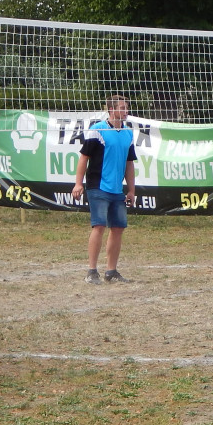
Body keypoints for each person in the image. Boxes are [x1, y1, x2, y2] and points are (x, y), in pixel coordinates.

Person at [72, 95, 137, 284]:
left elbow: (129, 163)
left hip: (117, 190)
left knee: (118, 228)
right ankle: (92, 271)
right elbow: (84, 157)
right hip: (98, 186)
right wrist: (78, 183)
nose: (126, 111)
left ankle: (111, 271)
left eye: (127, 108)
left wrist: (131, 190)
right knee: (99, 226)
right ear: (111, 110)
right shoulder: (97, 130)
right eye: (123, 108)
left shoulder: (127, 133)